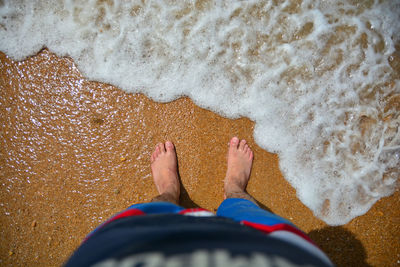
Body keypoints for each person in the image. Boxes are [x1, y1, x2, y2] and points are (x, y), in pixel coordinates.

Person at [65, 137, 333, 267]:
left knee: (153, 213)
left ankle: (170, 192)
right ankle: (233, 189)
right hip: (276, 252)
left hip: (120, 252)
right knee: (243, 211)